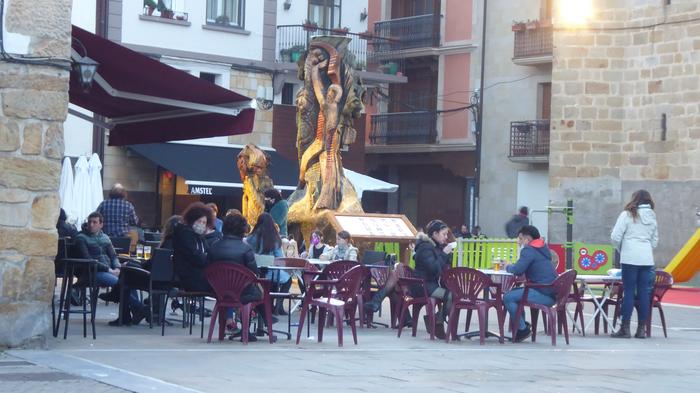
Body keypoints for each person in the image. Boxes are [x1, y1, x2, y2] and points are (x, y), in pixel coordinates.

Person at [75, 212, 148, 326]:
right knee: (121, 283)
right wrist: (110, 271)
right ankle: (140, 308)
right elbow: (88, 260)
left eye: (95, 222)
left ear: (101, 224)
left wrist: (118, 267)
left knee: (128, 279)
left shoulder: (105, 237)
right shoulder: (81, 238)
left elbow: (113, 256)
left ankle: (126, 316)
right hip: (91, 272)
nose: (91, 224)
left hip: (108, 270)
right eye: (90, 222)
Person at [208, 213, 270, 340]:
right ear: (242, 229)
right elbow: (254, 273)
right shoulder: (246, 249)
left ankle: (223, 331)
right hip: (242, 292)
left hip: (219, 291)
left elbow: (207, 267)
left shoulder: (213, 247)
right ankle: (262, 324)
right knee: (261, 291)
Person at [610, 189, 658, 339]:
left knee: (629, 291)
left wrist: (622, 248)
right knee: (643, 292)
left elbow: (616, 236)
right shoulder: (652, 217)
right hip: (646, 258)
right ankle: (641, 329)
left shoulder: (627, 214)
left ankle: (625, 328)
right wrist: (645, 249)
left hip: (630, 257)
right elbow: (655, 241)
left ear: (634, 199)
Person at [502, 225, 558, 342]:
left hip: (543, 293)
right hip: (551, 293)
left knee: (508, 297)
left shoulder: (528, 250)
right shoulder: (543, 248)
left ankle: (522, 329)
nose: (519, 241)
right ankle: (521, 326)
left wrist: (507, 266)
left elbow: (517, 270)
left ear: (527, 239)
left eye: (520, 238)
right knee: (514, 294)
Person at [412, 219, 456, 340]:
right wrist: (444, 254)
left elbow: (442, 268)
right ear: (435, 234)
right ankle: (437, 321)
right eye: (444, 234)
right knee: (453, 296)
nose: (446, 237)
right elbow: (433, 269)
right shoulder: (425, 248)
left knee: (453, 294)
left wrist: (446, 255)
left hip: (430, 284)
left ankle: (437, 320)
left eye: (446, 234)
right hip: (422, 285)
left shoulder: (435, 246)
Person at [245, 212, 292, 315]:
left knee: (274, 278)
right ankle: (278, 306)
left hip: (254, 274)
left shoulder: (250, 238)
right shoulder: (274, 239)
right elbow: (280, 259)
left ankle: (265, 307)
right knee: (288, 279)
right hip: (271, 273)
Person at [172, 202, 213, 293]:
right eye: (199, 221)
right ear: (192, 220)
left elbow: (207, 254)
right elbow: (196, 256)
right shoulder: (185, 235)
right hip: (188, 277)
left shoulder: (200, 237)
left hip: (198, 275)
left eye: (204, 222)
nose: (201, 224)